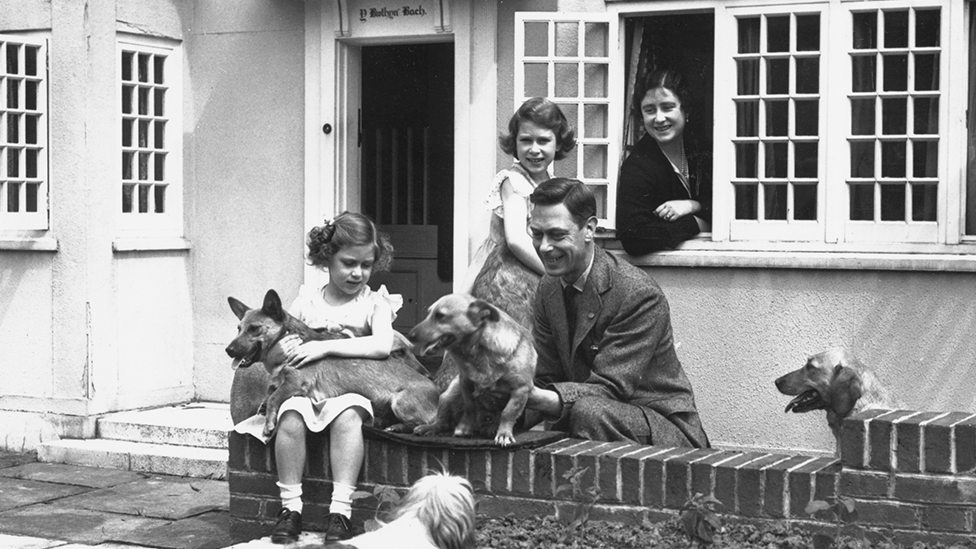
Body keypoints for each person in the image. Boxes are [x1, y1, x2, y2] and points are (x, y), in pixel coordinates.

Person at [234, 212, 400, 544]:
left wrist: (325, 349)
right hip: (307, 388)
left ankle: (341, 511)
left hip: (351, 387)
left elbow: (382, 346)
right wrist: (286, 348)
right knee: (290, 417)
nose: (358, 273)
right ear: (327, 259)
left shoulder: (374, 302)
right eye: (349, 263)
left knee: (350, 416)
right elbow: (283, 346)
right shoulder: (308, 300)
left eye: (366, 265)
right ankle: (290, 508)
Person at [524, 178, 709, 448]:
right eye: (537, 234)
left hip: (664, 431)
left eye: (556, 235)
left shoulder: (637, 294)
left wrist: (533, 397)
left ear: (589, 229)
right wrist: (500, 404)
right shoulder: (549, 287)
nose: (543, 247)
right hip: (595, 418)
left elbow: (610, 388)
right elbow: (545, 378)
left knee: (589, 413)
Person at [616, 68, 712, 255]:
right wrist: (696, 223)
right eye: (650, 110)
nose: (659, 118)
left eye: (667, 107)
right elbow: (633, 237)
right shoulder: (637, 165)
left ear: (685, 110)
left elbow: (734, 207)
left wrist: (692, 206)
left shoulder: (703, 149)